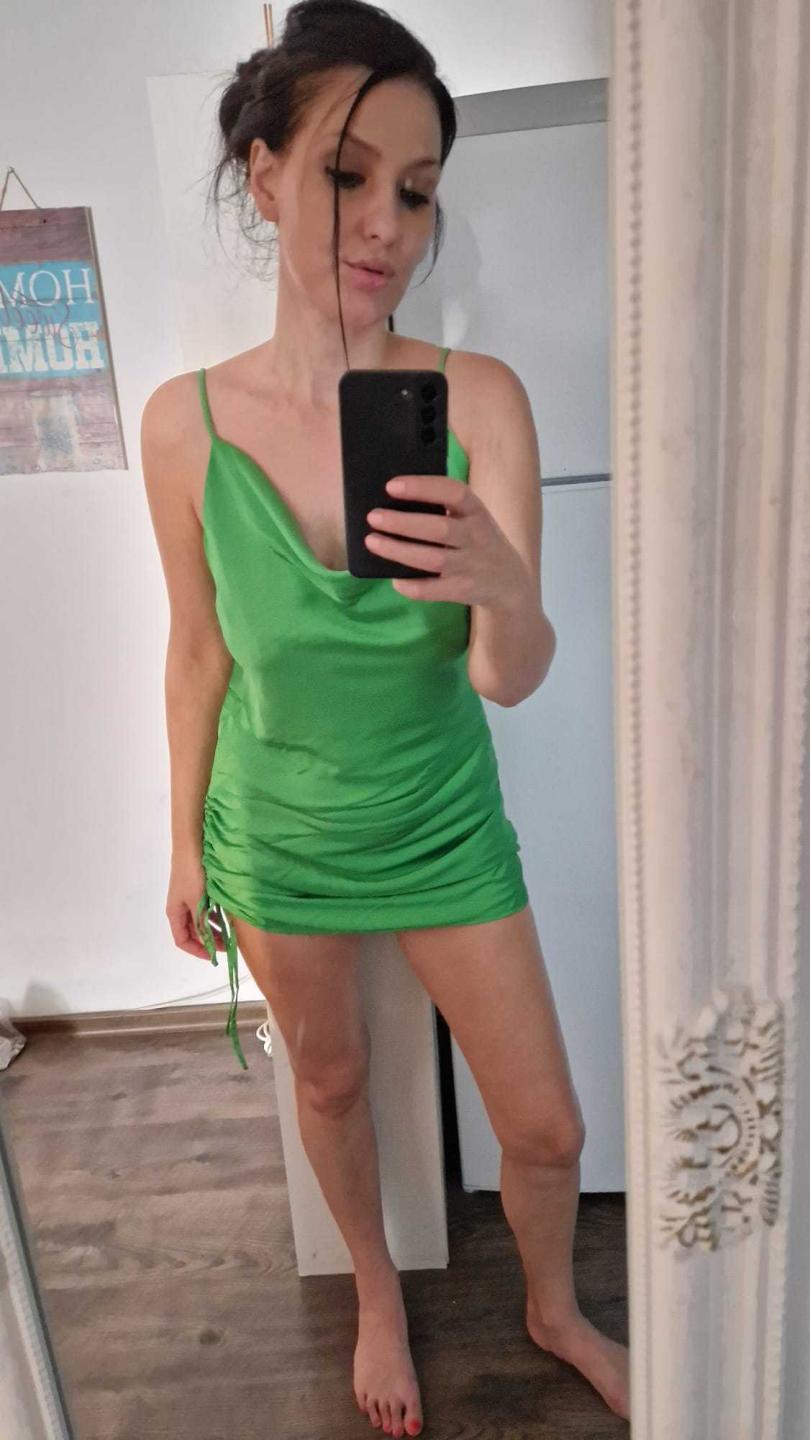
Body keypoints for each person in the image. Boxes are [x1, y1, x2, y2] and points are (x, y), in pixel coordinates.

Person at [140, 1, 630, 1433]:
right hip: (278, 830)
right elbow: (197, 653)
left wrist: (501, 582)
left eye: (415, 192)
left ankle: (552, 1308)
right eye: (348, 175)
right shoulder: (182, 426)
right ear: (263, 175)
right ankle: (372, 1292)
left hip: (441, 822)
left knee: (545, 1124)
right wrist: (182, 845)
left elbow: (507, 676)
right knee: (335, 1082)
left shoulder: (481, 398)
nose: (385, 224)